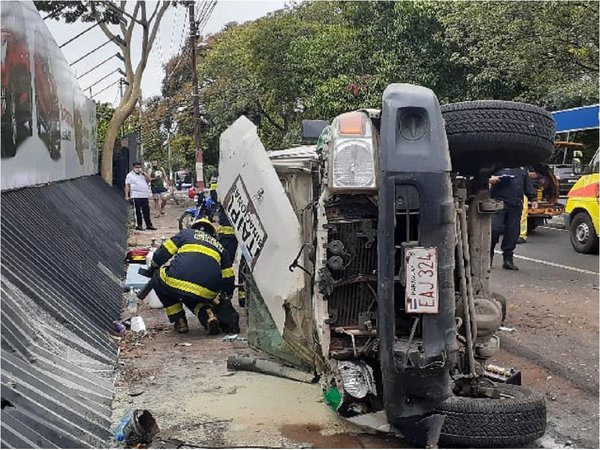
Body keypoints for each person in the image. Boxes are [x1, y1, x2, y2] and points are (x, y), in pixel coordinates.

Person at [147, 217, 240, 334]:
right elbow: (228, 277)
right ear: (212, 233)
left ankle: (179, 320)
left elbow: (163, 252)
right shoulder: (221, 248)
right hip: (208, 291)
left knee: (158, 277)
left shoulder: (186, 234)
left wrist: (153, 266)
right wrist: (227, 296)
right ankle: (208, 317)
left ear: (194, 227)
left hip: (177, 281)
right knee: (193, 297)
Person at [489, 167, 538, 270]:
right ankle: (488, 256)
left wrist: (533, 199)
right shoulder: (497, 165)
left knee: (513, 232)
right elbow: (484, 178)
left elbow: (527, 185)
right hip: (498, 203)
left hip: (515, 204)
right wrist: (491, 179)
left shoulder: (522, 168)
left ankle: (508, 259)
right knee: (494, 229)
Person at [125, 161, 157, 231]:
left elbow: (149, 180)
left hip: (144, 195)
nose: (138, 169)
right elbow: (127, 185)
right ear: (133, 167)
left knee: (146, 211)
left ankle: (149, 225)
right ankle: (139, 225)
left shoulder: (143, 174)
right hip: (135, 195)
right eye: (136, 167)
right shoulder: (130, 175)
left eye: (139, 167)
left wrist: (144, 173)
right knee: (137, 211)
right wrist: (127, 195)